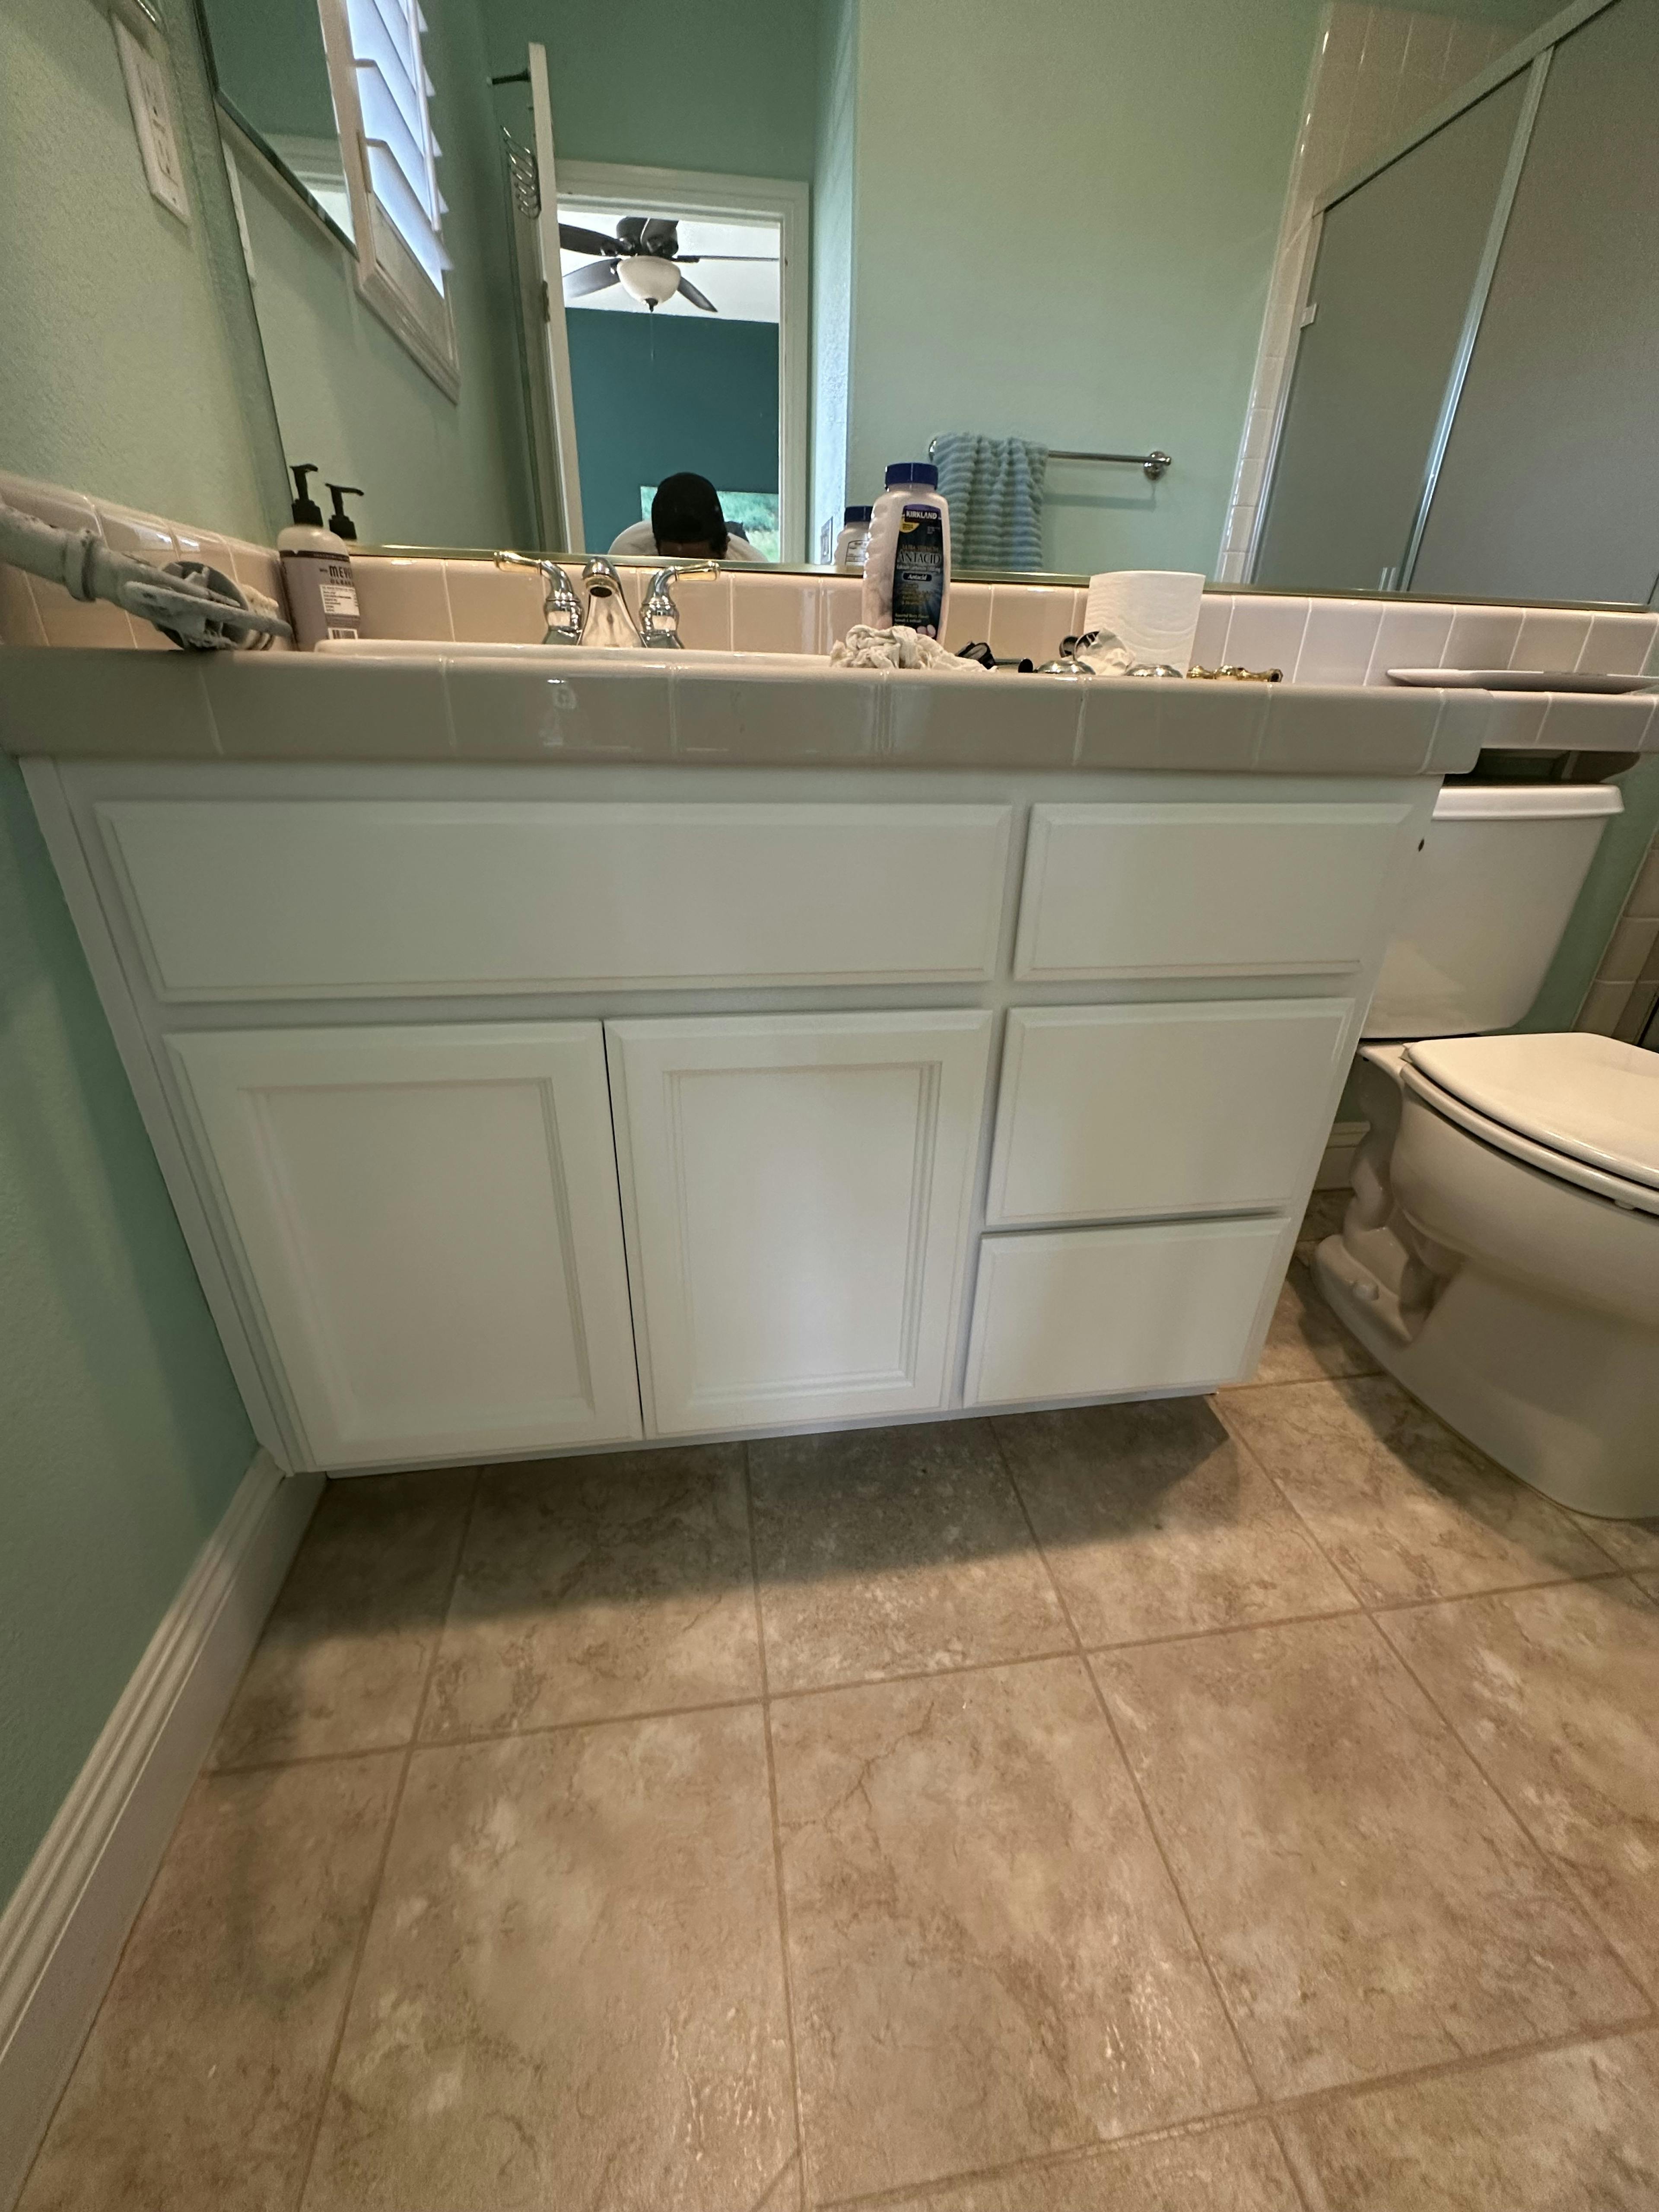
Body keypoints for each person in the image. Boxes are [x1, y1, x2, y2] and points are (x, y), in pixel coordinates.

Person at [607, 472, 769, 561]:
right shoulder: (626, 557)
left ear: (724, 547)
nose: (684, 577)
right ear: (656, 547)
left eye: (699, 565)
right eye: (671, 563)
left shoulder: (753, 567)